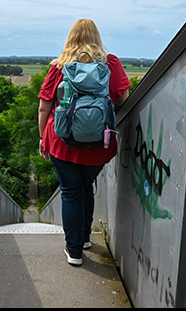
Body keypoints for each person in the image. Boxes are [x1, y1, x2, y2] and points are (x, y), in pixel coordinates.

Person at [38, 19, 131, 266]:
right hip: (99, 143)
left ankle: (74, 250)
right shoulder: (111, 63)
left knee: (70, 191)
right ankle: (85, 238)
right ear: (97, 36)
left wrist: (42, 138)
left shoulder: (60, 66)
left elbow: (44, 107)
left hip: (62, 141)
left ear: (71, 37)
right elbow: (123, 97)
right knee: (86, 185)